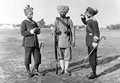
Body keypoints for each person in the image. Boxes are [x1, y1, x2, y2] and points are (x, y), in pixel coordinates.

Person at [53, 5, 75, 76]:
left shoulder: (69, 20)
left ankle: (66, 69)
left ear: (66, 13)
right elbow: (54, 30)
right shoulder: (57, 20)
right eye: (61, 12)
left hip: (67, 40)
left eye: (64, 12)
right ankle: (62, 69)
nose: (63, 13)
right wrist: (54, 37)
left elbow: (72, 30)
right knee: (60, 56)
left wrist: (73, 40)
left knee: (67, 56)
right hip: (59, 41)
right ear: (59, 12)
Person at [20, 5, 41, 77]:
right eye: (30, 14)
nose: (32, 15)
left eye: (32, 14)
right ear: (26, 14)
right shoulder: (24, 22)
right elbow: (22, 33)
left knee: (38, 57)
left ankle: (36, 70)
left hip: (35, 43)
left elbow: (37, 32)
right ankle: (28, 71)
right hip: (28, 43)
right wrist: (31, 32)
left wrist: (38, 30)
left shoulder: (34, 22)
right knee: (27, 58)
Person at [81, 7, 100, 79]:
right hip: (89, 41)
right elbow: (85, 23)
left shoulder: (94, 21)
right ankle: (93, 71)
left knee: (93, 57)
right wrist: (83, 17)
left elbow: (96, 31)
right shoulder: (90, 20)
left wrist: (95, 41)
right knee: (91, 57)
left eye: (87, 13)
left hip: (92, 42)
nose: (86, 14)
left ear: (91, 14)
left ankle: (94, 73)